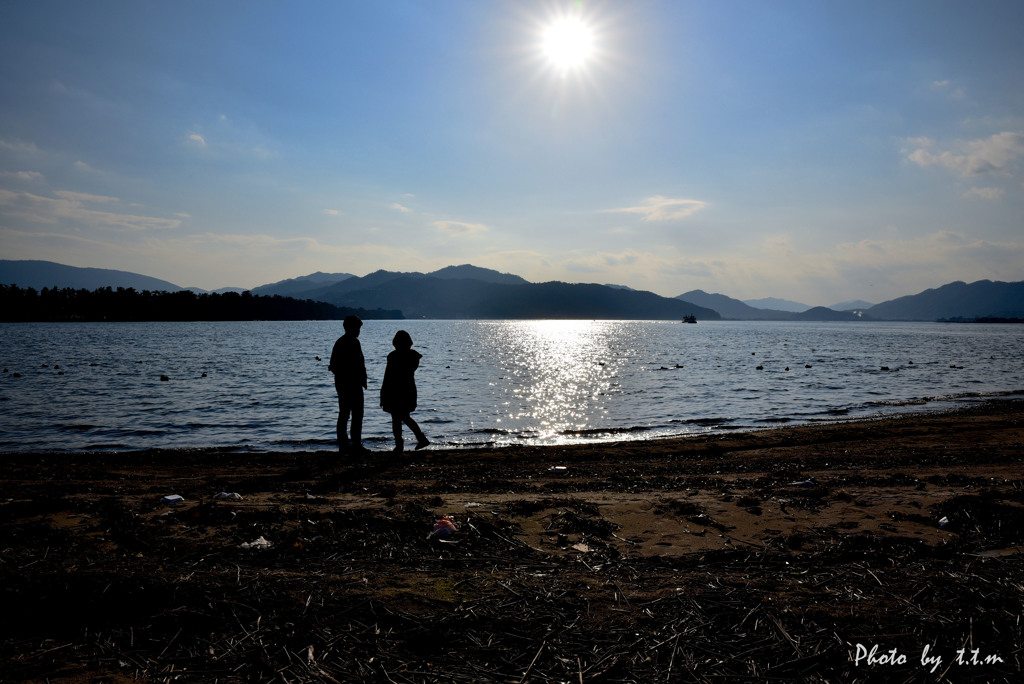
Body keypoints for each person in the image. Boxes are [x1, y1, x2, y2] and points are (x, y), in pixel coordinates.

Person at [380, 329, 429, 453]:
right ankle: (413, 440)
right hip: (408, 390)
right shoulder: (412, 357)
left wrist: (383, 394)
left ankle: (404, 443)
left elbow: (388, 376)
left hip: (395, 390)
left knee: (398, 418)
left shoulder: (393, 356)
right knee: (402, 417)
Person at [329, 315, 368, 454]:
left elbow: (361, 363)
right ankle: (344, 445)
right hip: (346, 385)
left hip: (355, 384)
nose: (358, 331)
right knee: (345, 414)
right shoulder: (341, 343)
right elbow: (334, 365)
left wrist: (363, 379)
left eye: (359, 328)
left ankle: (355, 444)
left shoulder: (355, 342)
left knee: (357, 415)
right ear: (348, 328)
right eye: (357, 328)